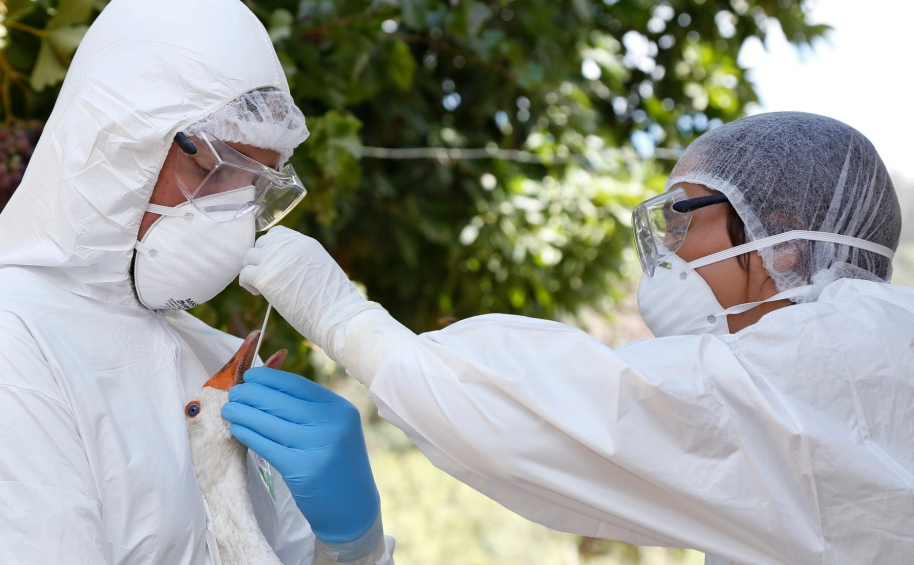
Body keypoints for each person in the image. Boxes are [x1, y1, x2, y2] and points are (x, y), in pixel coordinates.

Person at [232, 112, 914, 564]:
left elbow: (561, 419)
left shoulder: (838, 357)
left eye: (681, 221)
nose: (666, 253)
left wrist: (344, 320)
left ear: (783, 239)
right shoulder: (854, 348)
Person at [0, 0, 392, 564]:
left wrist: (353, 545)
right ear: (117, 142)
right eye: (209, 167)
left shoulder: (208, 358)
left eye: (256, 187)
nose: (234, 222)